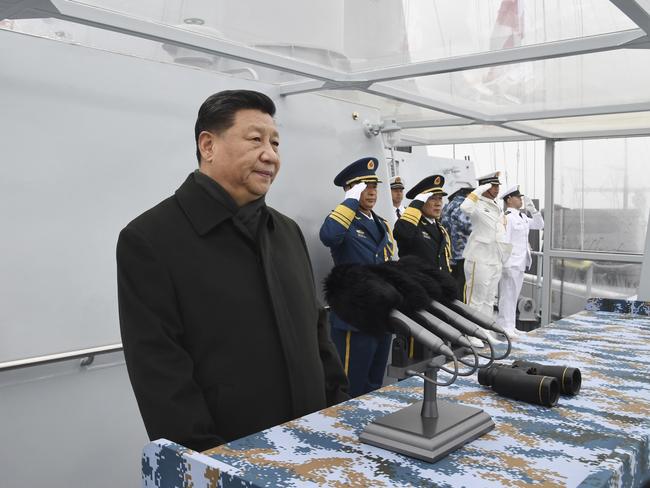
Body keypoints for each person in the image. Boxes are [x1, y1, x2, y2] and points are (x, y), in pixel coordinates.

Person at [116, 90, 348, 452]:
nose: (270, 155)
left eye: (275, 142)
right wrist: (212, 463)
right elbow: (159, 371)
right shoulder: (150, 239)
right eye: (256, 139)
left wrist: (337, 411)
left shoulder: (287, 232)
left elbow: (317, 330)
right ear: (208, 145)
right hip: (232, 458)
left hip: (314, 442)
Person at [319, 157, 395, 398]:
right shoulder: (343, 221)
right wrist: (350, 201)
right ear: (350, 191)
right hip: (354, 315)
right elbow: (329, 236)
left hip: (381, 312)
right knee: (351, 381)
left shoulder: (382, 224)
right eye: (364, 187)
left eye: (374, 186)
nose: (371, 192)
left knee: (375, 379)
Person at [460, 171, 512, 318]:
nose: (497, 189)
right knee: (475, 299)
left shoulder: (497, 207)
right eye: (493, 186)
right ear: (485, 186)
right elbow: (464, 208)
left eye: (497, 186)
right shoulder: (476, 204)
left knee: (489, 299)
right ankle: (471, 333)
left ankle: (485, 330)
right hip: (479, 258)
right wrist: (479, 190)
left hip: (495, 258)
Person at [496, 186, 544, 338]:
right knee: (507, 296)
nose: (521, 200)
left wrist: (534, 211)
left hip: (521, 262)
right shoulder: (507, 218)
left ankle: (511, 326)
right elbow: (504, 241)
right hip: (511, 264)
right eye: (518, 197)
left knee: (514, 295)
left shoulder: (522, 217)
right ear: (509, 199)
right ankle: (504, 326)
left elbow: (539, 225)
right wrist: (505, 264)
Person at [394, 174, 452, 273]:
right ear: (421, 201)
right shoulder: (412, 225)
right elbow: (402, 233)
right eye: (432, 198)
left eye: (440, 198)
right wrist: (416, 204)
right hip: (418, 284)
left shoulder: (440, 228)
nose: (438, 203)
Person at [441, 185, 474, 299]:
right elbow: (468, 226)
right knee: (463, 288)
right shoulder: (462, 205)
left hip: (451, 254)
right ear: (468, 195)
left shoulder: (449, 205)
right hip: (462, 254)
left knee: (455, 285)